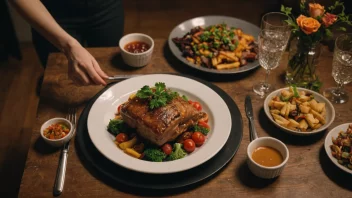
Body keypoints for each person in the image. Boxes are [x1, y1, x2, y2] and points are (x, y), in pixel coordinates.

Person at [9, 0, 124, 86]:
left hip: (107, 7)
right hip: (51, 13)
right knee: (62, 80)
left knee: (106, 72)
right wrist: (69, 46)